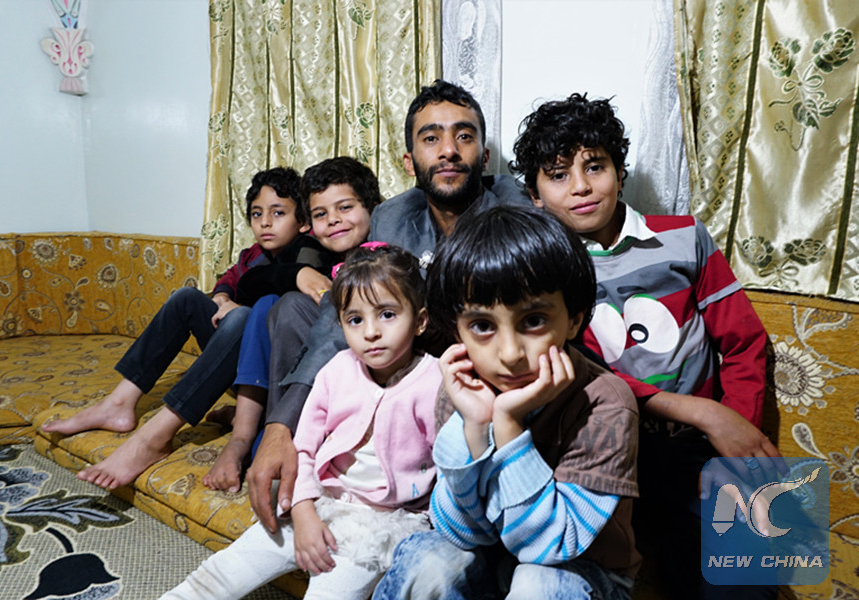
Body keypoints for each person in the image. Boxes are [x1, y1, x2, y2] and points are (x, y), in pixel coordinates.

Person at [509, 93, 780, 598]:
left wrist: (732, 425)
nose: (581, 186)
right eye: (559, 175)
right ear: (535, 195)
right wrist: (701, 411)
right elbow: (586, 369)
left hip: (701, 447)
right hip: (604, 449)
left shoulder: (684, 237)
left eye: (595, 166)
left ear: (619, 171)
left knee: (750, 578)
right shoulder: (541, 272)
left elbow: (744, 343)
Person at [245, 79, 531, 535]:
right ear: (409, 160)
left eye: (464, 136)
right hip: (395, 366)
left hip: (469, 383)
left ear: (484, 156)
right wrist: (282, 425)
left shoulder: (512, 210)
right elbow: (341, 319)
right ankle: (288, 448)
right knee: (297, 310)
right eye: (431, 138)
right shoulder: (392, 217)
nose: (449, 150)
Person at [375, 205, 641, 599]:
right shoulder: (464, 388)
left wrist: (509, 427)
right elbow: (461, 532)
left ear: (574, 318)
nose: (511, 353)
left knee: (536, 583)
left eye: (533, 321)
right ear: (457, 332)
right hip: (490, 557)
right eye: (482, 326)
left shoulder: (605, 403)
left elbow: (549, 547)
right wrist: (475, 428)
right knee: (428, 561)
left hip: (580, 568)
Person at [160, 243, 442, 600]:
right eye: (355, 320)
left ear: (420, 321)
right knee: (223, 571)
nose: (370, 332)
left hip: (379, 527)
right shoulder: (336, 370)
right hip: (317, 501)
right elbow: (304, 448)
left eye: (387, 314)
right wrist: (305, 513)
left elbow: (447, 465)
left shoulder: (436, 382)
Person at [43, 167, 326, 490]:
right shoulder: (253, 255)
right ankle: (119, 402)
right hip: (234, 363)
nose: (265, 222)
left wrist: (239, 306)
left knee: (244, 317)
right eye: (256, 214)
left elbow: (282, 293)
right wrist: (222, 297)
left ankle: (159, 435)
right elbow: (231, 278)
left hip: (272, 373)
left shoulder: (308, 249)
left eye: (278, 213)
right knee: (187, 298)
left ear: (303, 222)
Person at [203, 156, 381, 492]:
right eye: (320, 214)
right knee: (277, 304)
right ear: (310, 222)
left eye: (345, 207)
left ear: (373, 207)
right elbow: (248, 281)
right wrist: (299, 274)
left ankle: (265, 433)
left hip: (357, 376)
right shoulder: (314, 253)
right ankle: (265, 434)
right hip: (299, 377)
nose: (333, 220)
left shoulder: (382, 257)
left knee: (285, 305)